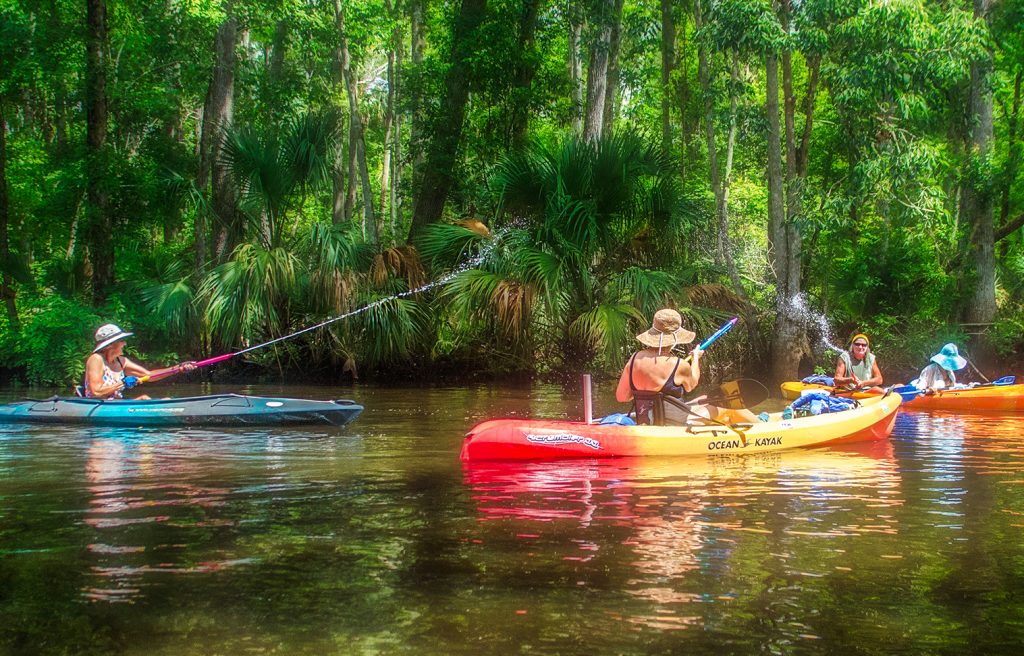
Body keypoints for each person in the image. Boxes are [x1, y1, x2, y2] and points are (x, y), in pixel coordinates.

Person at [615, 309, 759, 426]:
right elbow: (692, 384)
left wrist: (647, 394)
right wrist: (696, 358)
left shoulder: (634, 359)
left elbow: (622, 397)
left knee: (705, 398)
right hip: (674, 425)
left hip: (646, 422)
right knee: (727, 407)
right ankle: (766, 430)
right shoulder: (678, 364)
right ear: (675, 338)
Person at [84, 324, 196, 400]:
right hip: (99, 406)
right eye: (122, 341)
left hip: (117, 404)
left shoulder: (122, 361)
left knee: (154, 399)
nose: (124, 344)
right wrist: (123, 383)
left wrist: (177, 368)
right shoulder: (96, 359)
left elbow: (149, 375)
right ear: (110, 345)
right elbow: (96, 392)